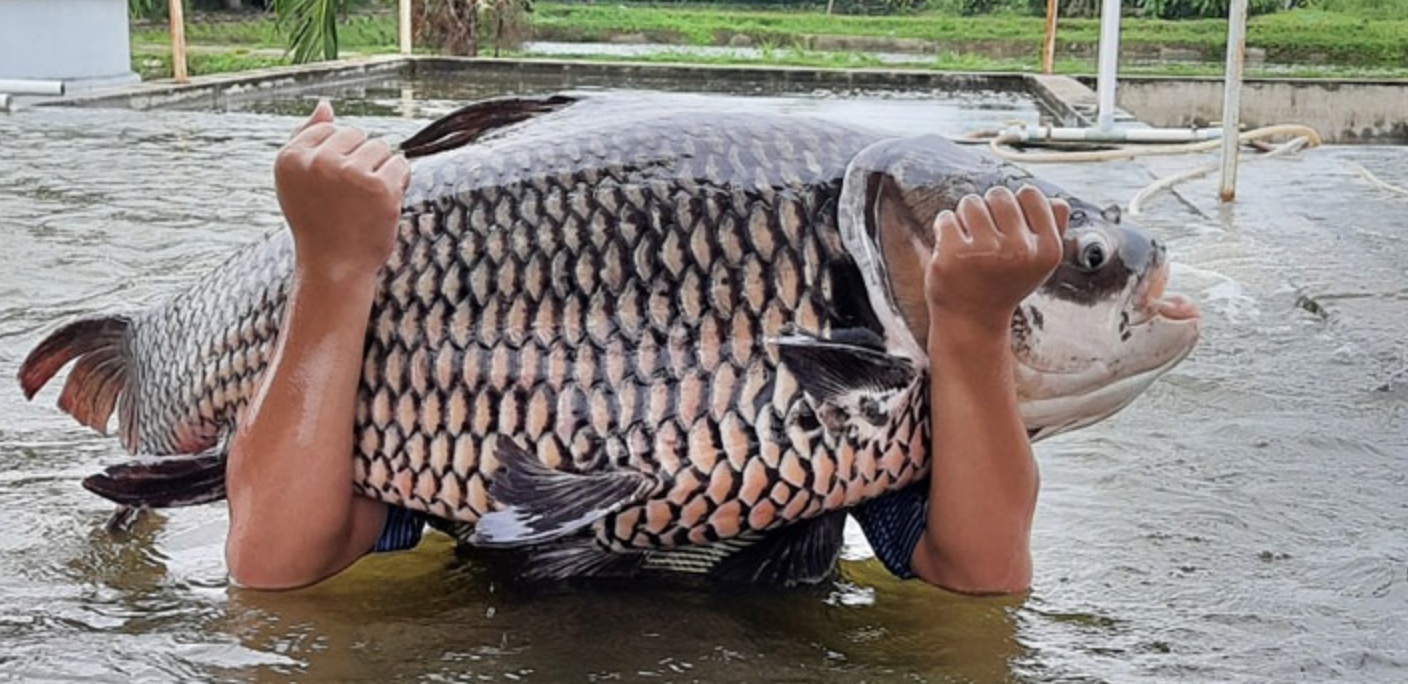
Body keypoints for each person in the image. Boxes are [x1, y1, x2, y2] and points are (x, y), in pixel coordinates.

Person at [225, 103, 1069, 594]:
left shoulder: (876, 401)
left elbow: (985, 579)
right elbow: (271, 567)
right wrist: (333, 271)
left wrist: (972, 328)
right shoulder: (451, 379)